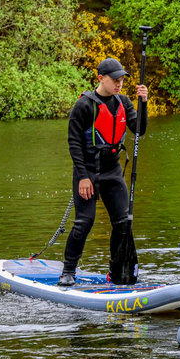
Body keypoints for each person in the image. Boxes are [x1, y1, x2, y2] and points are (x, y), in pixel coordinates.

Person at [61, 58, 148, 286]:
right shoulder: (84, 105)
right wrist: (83, 177)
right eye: (115, 80)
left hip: (112, 171)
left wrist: (143, 103)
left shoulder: (124, 102)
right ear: (100, 78)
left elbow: (139, 129)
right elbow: (74, 144)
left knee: (123, 223)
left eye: (122, 80)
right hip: (88, 172)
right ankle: (68, 271)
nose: (119, 84)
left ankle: (116, 272)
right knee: (84, 222)